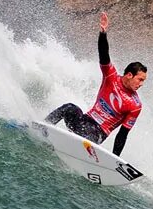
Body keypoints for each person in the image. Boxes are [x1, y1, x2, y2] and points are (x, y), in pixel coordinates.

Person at [45, 12, 146, 157]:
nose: (141, 84)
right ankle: (42, 128)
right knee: (70, 108)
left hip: (97, 133)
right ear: (129, 75)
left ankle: (70, 151)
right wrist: (103, 33)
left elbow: (122, 134)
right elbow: (104, 55)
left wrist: (115, 160)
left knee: (87, 136)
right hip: (85, 120)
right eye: (140, 79)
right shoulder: (111, 77)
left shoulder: (135, 105)